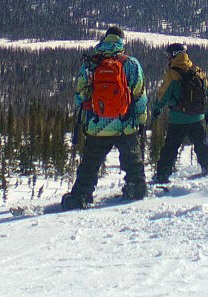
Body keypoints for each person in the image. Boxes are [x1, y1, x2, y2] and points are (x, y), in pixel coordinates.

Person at [61, 26, 148, 209]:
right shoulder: (130, 63)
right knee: (132, 161)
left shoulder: (90, 64)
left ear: (105, 39)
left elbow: (80, 94)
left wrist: (90, 114)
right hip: (125, 123)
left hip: (97, 124)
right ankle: (136, 189)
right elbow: (139, 95)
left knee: (90, 164)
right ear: (122, 41)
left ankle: (80, 197)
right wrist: (141, 119)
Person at [152, 43, 208, 183]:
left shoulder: (172, 74)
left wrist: (156, 109)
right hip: (197, 117)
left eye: (168, 55)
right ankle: (207, 166)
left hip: (178, 118)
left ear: (175, 55)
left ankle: (162, 174)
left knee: (170, 147)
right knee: (201, 143)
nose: (167, 58)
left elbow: (164, 95)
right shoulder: (197, 71)